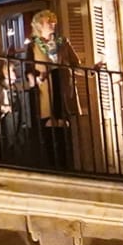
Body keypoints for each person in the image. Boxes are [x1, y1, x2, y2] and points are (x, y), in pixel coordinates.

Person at [24, 9, 82, 169]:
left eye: (54, 21)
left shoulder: (63, 42)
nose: (53, 24)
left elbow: (76, 66)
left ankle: (66, 165)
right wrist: (35, 78)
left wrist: (94, 70)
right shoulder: (33, 46)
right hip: (46, 89)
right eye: (49, 21)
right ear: (40, 25)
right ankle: (52, 165)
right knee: (49, 125)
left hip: (63, 86)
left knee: (64, 125)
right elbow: (29, 70)